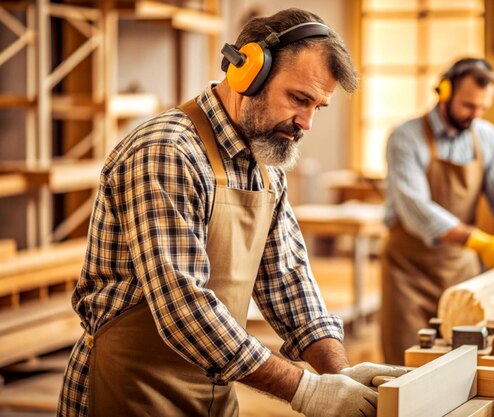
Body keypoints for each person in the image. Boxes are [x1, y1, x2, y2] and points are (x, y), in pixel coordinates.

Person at [58, 8, 405, 417]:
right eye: (299, 99)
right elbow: (184, 308)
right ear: (247, 73)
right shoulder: (168, 152)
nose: (307, 123)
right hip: (129, 392)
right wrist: (306, 389)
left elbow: (288, 281)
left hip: (211, 395)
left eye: (318, 107)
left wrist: (339, 373)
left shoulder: (264, 165)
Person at [380, 57, 494, 365]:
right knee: (407, 365)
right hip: (408, 270)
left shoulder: (486, 136)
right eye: (467, 106)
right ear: (445, 92)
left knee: (460, 362)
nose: (474, 115)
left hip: (460, 269)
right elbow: (416, 209)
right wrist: (480, 242)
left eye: (482, 108)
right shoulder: (405, 137)